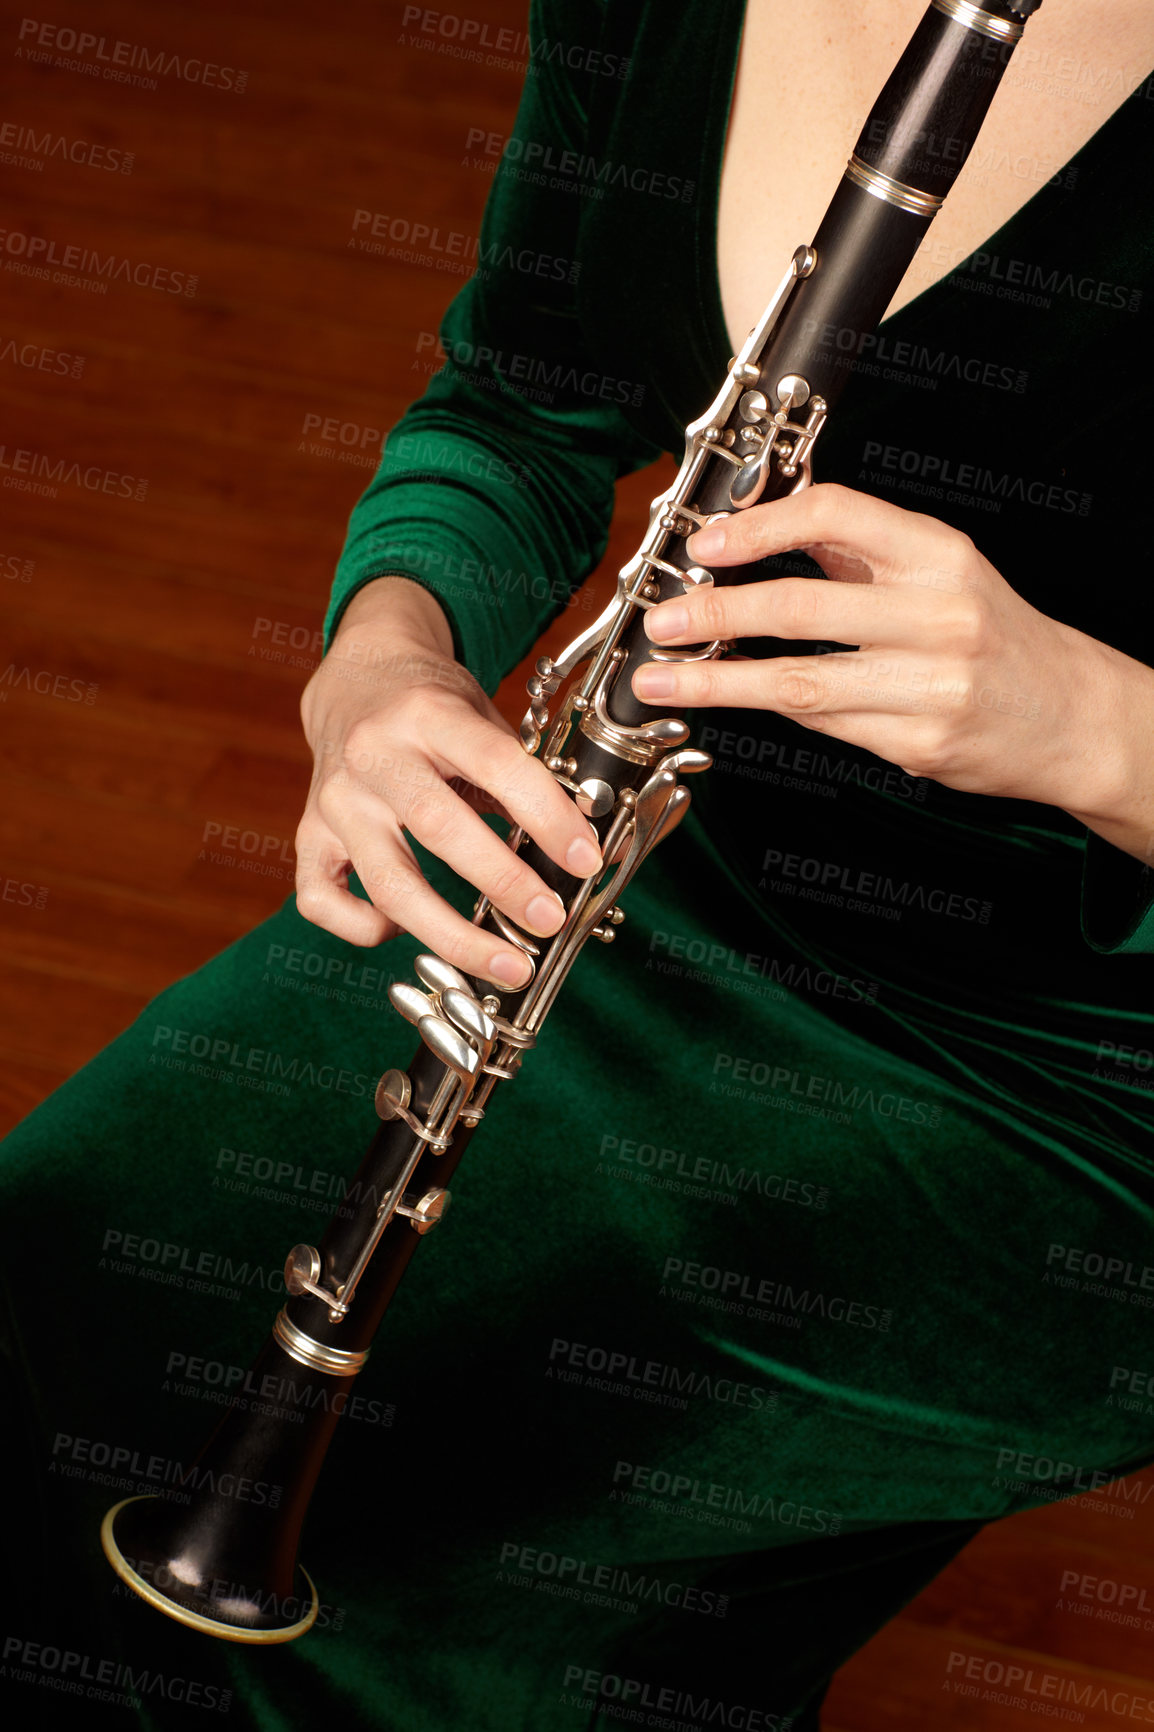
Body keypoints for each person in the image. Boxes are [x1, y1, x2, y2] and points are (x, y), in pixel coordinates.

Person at [5, 1, 1154, 1727]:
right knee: (47, 1300)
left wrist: (1098, 727)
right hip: (648, 875)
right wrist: (380, 661)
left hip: (1079, 1088)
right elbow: (520, 401)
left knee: (460, 1640)